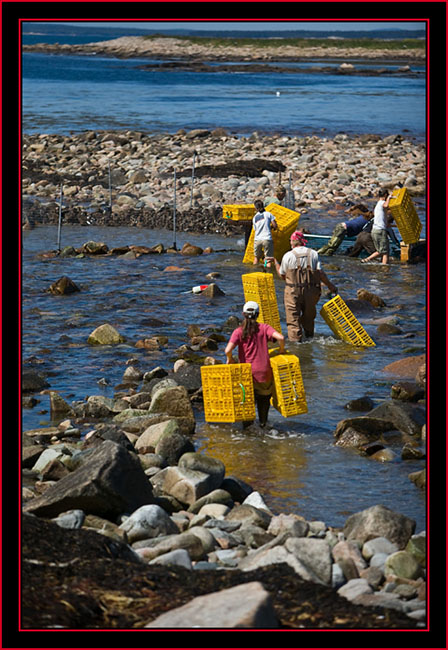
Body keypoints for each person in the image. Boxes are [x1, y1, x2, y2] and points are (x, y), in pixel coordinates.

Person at [225, 301, 285, 428]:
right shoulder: (264, 328)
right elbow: (280, 338)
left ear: (243, 314)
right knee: (264, 403)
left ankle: (248, 434)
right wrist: (281, 350)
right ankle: (263, 425)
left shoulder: (238, 331)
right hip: (264, 373)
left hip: (247, 375)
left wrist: (230, 359)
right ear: (258, 314)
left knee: (247, 406)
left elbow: (227, 350)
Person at [271, 230, 337, 342]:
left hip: (293, 291)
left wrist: (276, 263)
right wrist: (331, 287)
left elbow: (282, 276)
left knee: (293, 320)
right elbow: (320, 273)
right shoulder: (313, 254)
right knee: (309, 318)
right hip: (311, 291)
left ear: (293, 242)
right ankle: (309, 338)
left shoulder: (288, 255)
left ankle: (296, 346)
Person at [362, 190, 399, 264]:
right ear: (385, 195)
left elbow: (383, 220)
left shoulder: (377, 205)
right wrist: (389, 198)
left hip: (375, 230)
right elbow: (386, 205)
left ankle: (365, 260)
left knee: (380, 251)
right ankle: (384, 268)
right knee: (385, 252)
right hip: (380, 231)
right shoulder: (382, 203)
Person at [252, 199, 277, 267]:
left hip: (257, 240)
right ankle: (267, 272)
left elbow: (255, 229)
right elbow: (275, 225)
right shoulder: (268, 214)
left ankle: (254, 272)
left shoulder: (254, 218)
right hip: (267, 238)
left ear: (256, 208)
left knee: (256, 258)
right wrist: (272, 228)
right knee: (268, 259)